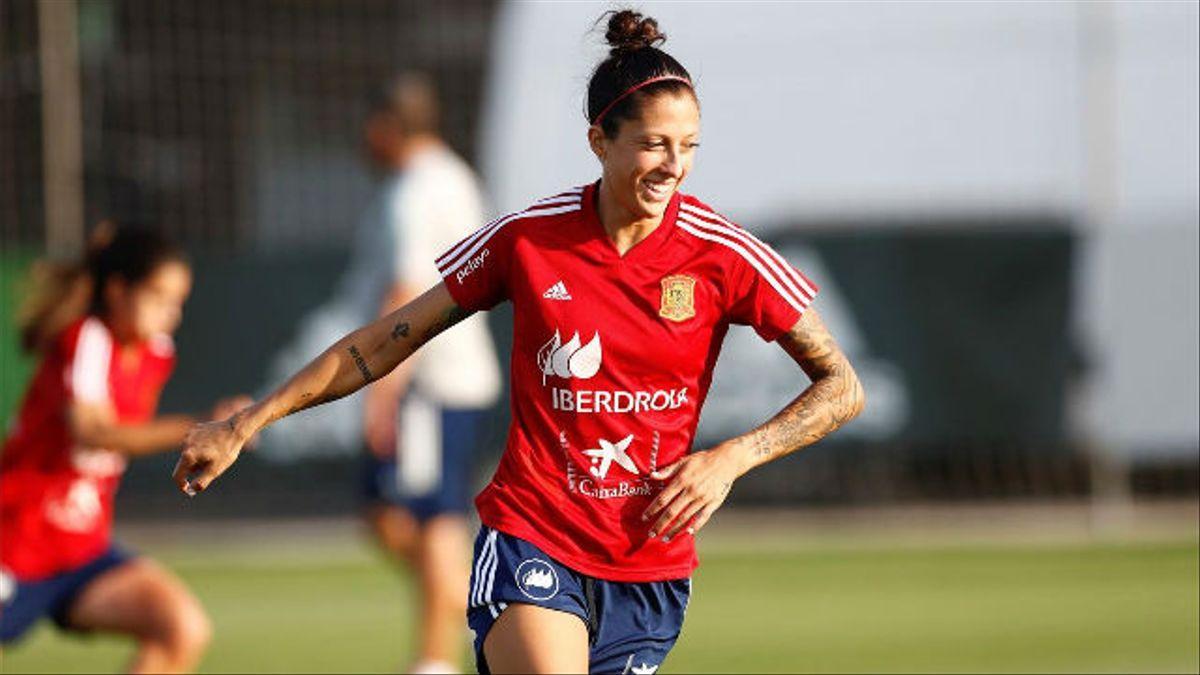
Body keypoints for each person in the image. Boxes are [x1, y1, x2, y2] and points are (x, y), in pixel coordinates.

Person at [173, 9, 865, 674]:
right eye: (653, 142)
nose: (673, 165)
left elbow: (843, 386)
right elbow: (383, 340)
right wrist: (248, 420)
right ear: (600, 139)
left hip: (648, 565)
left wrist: (734, 457)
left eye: (688, 147)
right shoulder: (528, 238)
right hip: (533, 535)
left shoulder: (725, 252)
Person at [0, 223, 249, 673]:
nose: (170, 314)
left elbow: (121, 441)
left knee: (181, 627)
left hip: (81, 550)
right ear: (117, 291)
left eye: (178, 302)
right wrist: (203, 428)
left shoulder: (156, 352)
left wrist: (223, 429)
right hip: (14, 540)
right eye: (158, 298)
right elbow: (93, 431)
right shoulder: (86, 337)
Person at [358, 74, 501, 674]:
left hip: (428, 380)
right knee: (399, 513)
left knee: (427, 514)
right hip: (455, 375)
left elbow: (405, 289)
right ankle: (481, 605)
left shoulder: (415, 189)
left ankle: (437, 657)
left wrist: (380, 389)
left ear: (388, 126)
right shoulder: (454, 175)